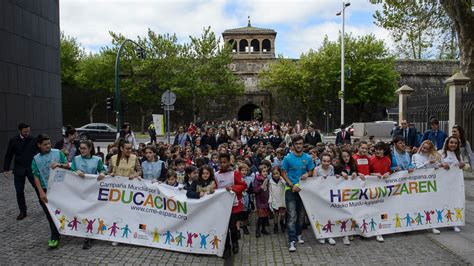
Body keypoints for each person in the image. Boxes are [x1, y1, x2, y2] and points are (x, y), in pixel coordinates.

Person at [32, 134, 69, 249]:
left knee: (64, 209)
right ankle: (54, 235)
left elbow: (68, 166)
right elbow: (36, 176)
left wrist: (60, 164)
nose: (48, 146)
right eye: (45, 144)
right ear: (39, 145)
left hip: (60, 187)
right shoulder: (36, 159)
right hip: (45, 189)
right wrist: (40, 192)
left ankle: (68, 228)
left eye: (49, 143)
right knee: (49, 213)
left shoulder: (58, 153)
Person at [69, 140, 107, 249]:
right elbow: (70, 172)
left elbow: (103, 170)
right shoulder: (76, 159)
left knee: (90, 212)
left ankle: (89, 236)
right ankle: (83, 231)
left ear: (90, 149)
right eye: (80, 148)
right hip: (79, 190)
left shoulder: (97, 160)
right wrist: (76, 171)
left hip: (92, 190)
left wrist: (102, 173)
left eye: (84, 148)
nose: (82, 150)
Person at [281, 135, 315, 252]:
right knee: (292, 215)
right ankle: (292, 240)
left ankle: (299, 234)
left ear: (303, 144)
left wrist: (307, 174)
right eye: (296, 144)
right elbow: (283, 172)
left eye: (300, 143)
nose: (299, 146)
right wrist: (291, 185)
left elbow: (311, 170)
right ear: (293, 145)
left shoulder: (308, 157)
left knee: (301, 215)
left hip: (303, 190)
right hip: (290, 190)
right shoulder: (287, 158)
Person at [3, 123, 39, 220]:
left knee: (38, 188)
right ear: (20, 131)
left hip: (32, 168)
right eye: (25, 132)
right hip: (19, 169)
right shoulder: (13, 140)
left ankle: (46, 207)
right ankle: (22, 211)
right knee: (19, 191)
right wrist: (6, 168)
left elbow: (40, 152)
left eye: (28, 131)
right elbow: (9, 154)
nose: (27, 133)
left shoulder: (34, 139)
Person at [214, 152, 247, 258]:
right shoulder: (216, 175)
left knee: (233, 226)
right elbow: (215, 188)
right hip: (222, 206)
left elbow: (243, 185)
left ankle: (235, 242)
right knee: (224, 228)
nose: (223, 164)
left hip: (234, 206)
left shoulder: (235, 173)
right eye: (221, 162)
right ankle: (227, 247)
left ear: (229, 162)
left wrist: (233, 188)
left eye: (225, 162)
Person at [439, 136, 465, 233]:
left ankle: (454, 222)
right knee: (442, 201)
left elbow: (460, 165)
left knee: (453, 201)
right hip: (442, 183)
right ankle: (439, 221)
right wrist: (441, 165)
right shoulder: (441, 153)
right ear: (447, 143)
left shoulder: (458, 155)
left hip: (454, 184)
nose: (453, 145)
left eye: (455, 143)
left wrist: (462, 165)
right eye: (451, 142)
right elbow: (434, 165)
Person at [312, 153, 337, 245]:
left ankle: (329, 235)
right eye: (324, 161)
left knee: (329, 215)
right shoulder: (316, 169)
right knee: (320, 215)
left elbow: (333, 179)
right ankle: (321, 235)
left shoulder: (332, 168)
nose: (326, 163)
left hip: (329, 195)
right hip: (319, 195)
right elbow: (313, 183)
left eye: (328, 161)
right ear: (321, 161)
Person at [253, 165, 270, 238]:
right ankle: (257, 230)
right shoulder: (257, 180)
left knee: (265, 216)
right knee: (261, 217)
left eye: (266, 171)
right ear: (260, 172)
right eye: (263, 171)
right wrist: (261, 187)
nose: (265, 173)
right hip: (260, 200)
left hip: (266, 200)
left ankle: (263, 229)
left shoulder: (267, 179)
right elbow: (255, 190)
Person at [269, 166, 286, 234]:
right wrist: (270, 200)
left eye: (277, 173)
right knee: (275, 214)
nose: (275, 175)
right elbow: (270, 191)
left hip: (282, 199)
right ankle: (275, 225)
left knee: (282, 214)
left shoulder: (283, 180)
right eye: (274, 174)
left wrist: (282, 179)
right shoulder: (270, 181)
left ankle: (281, 223)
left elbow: (286, 185)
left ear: (280, 173)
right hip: (275, 199)